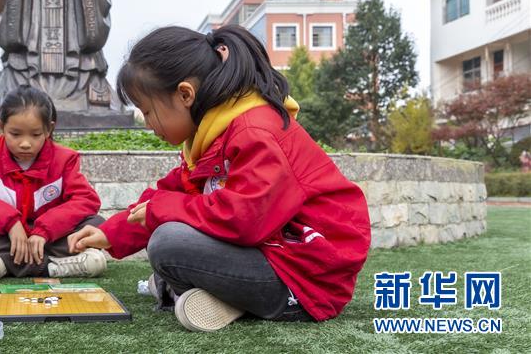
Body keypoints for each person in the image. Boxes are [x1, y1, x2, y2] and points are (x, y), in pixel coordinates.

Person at [67, 25, 371, 332]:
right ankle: (221, 296)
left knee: (168, 244)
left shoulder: (255, 132)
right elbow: (168, 193)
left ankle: (229, 296)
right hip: (272, 256)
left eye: (148, 111)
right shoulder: (212, 137)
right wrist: (112, 232)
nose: (148, 125)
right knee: (171, 246)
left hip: (307, 279)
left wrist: (164, 212)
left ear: (185, 94)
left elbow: (247, 219)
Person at [0, 85, 105, 281]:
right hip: (7, 237)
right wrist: (10, 222)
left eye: (35, 135)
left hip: (49, 237)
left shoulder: (64, 159)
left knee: (97, 225)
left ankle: (7, 264)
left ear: (49, 129)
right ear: (1, 127)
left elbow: (86, 200)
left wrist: (44, 230)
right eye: (15, 134)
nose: (25, 143)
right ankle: (53, 266)